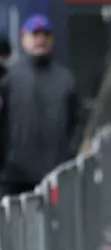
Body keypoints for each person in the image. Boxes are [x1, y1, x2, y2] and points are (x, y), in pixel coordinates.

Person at [0, 14, 81, 196]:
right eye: (35, 34)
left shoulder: (65, 79)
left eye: (45, 34)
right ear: (23, 38)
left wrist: (69, 154)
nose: (40, 39)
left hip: (55, 173)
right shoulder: (10, 80)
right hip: (15, 176)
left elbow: (77, 121)